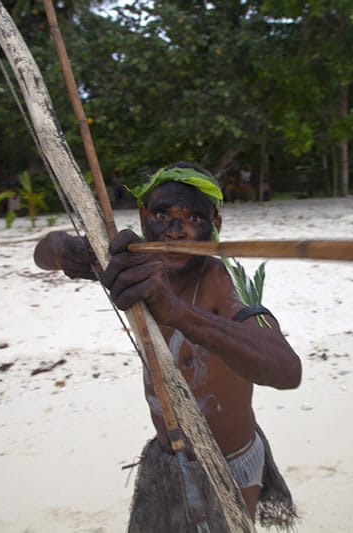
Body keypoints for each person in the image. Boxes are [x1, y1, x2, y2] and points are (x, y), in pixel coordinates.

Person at [33, 162, 301, 530]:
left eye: (194, 217)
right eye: (163, 215)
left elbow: (286, 370)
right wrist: (70, 249)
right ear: (144, 218)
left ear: (215, 225)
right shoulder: (134, 269)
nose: (176, 231)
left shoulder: (225, 285)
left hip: (229, 462)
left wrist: (176, 312)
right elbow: (44, 254)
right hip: (168, 456)